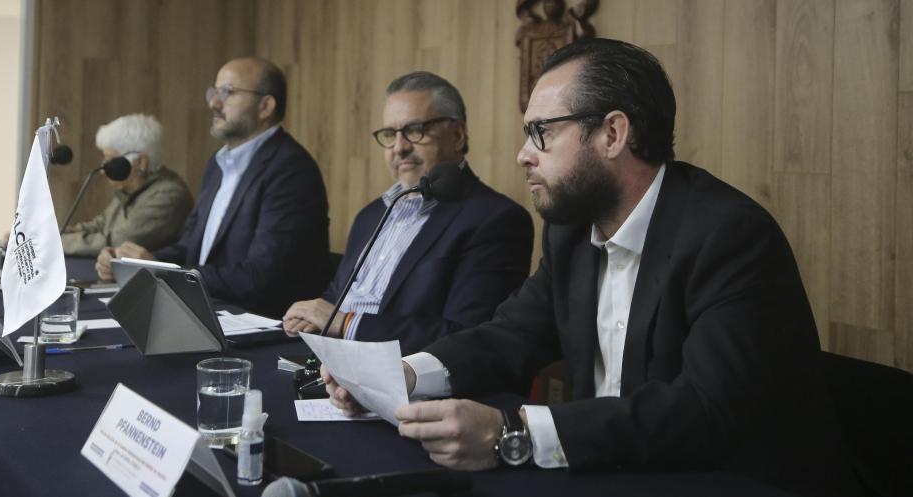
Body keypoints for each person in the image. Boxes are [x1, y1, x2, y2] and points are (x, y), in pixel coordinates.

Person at [323, 39, 860, 497]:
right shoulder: (572, 232)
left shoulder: (728, 235)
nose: (523, 155)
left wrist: (513, 431)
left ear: (613, 134)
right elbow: (510, 335)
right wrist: (405, 374)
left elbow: (704, 410)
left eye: (541, 132)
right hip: (606, 473)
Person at [283, 72, 533, 353]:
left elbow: (467, 336)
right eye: (390, 134)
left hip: (403, 373)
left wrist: (346, 324)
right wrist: (308, 317)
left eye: (415, 130)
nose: (399, 147)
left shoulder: (496, 219)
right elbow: (338, 297)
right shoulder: (370, 215)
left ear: (457, 135)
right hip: (328, 359)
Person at [96, 57, 330, 317]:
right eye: (214, 92)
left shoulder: (290, 170)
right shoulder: (217, 165)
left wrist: (163, 272)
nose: (213, 103)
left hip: (259, 321)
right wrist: (133, 262)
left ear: (265, 106)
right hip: (207, 310)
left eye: (228, 92)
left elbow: (260, 277)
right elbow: (190, 248)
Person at [58, 114, 192, 257]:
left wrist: (56, 243)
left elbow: (117, 241)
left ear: (141, 162)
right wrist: (52, 236)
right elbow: (99, 226)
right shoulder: (131, 189)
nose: (103, 170)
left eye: (111, 161)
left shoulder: (168, 196)